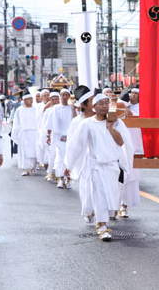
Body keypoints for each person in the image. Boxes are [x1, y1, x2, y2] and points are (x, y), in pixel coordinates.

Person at [65, 90, 134, 241]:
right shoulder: (87, 124)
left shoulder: (117, 122)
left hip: (112, 167)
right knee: (100, 196)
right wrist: (68, 164)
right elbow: (76, 145)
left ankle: (101, 218)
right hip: (96, 166)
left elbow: (122, 142)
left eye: (106, 103)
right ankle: (102, 227)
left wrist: (110, 127)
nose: (104, 106)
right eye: (100, 104)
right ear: (94, 107)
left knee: (112, 197)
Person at [65, 85, 95, 223]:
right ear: (83, 104)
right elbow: (72, 145)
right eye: (91, 99)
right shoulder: (76, 122)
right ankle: (89, 211)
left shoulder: (100, 119)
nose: (94, 102)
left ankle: (101, 214)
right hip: (83, 160)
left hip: (100, 159)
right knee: (86, 186)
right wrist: (68, 164)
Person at [117, 87, 141, 219]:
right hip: (117, 146)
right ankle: (113, 205)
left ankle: (124, 205)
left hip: (133, 145)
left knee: (129, 176)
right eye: (132, 93)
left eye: (136, 93)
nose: (133, 96)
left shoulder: (139, 109)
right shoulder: (117, 110)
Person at [47, 86, 76, 189]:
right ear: (60, 96)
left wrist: (73, 108)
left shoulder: (72, 108)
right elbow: (51, 123)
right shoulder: (56, 108)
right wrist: (49, 135)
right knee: (60, 159)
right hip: (59, 138)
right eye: (62, 95)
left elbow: (76, 121)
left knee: (70, 159)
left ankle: (68, 180)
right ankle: (61, 179)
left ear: (69, 96)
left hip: (70, 138)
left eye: (66, 95)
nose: (64, 97)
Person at [11, 89, 37, 176]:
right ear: (24, 100)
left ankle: (32, 167)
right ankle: (25, 168)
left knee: (33, 151)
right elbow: (16, 123)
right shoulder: (19, 110)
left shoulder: (35, 109)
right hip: (23, 133)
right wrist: (15, 133)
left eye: (31, 99)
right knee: (24, 152)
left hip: (34, 133)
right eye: (29, 99)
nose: (31, 100)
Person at [43, 90, 60, 183]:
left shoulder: (64, 109)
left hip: (63, 136)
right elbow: (47, 125)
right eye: (53, 99)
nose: (55, 101)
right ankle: (50, 172)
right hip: (54, 136)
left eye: (56, 99)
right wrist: (48, 135)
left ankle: (60, 174)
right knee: (53, 154)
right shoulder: (48, 111)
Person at [35, 88, 50, 170]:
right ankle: (48, 170)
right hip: (43, 132)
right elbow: (42, 112)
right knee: (44, 153)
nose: (47, 97)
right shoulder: (39, 106)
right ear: (41, 97)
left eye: (48, 95)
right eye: (45, 96)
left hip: (53, 133)